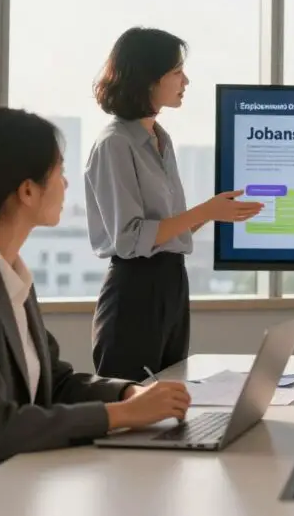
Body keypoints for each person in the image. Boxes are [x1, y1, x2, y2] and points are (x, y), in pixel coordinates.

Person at [0, 108, 192, 493]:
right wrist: (120, 414)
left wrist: (129, 393)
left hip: (10, 481)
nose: (65, 183)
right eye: (58, 172)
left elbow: (54, 382)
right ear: (27, 190)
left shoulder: (9, 274)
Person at [86, 27, 263, 382]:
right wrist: (205, 212)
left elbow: (165, 229)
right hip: (135, 291)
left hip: (171, 283)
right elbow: (131, 238)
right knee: (136, 408)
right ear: (149, 79)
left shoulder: (160, 139)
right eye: (177, 72)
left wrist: (214, 212)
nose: (186, 81)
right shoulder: (115, 144)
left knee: (170, 400)